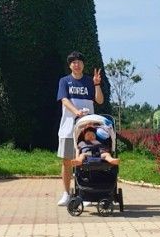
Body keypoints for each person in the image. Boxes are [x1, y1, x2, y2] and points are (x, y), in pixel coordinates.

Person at [55, 51, 104, 206]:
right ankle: (66, 193)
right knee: (67, 161)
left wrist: (97, 85)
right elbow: (64, 100)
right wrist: (76, 112)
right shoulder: (64, 81)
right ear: (70, 65)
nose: (77, 64)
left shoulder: (90, 81)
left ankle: (87, 193)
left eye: (79, 62)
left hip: (88, 129)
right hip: (68, 128)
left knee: (88, 160)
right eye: (73, 62)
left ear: (83, 64)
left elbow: (99, 100)